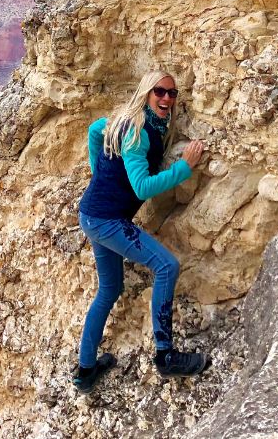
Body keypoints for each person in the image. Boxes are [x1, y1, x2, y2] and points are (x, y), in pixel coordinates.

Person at [72, 70, 209, 394]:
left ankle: (85, 371)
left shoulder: (124, 119)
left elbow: (94, 131)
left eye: (172, 94)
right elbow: (143, 186)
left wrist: (100, 174)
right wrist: (184, 168)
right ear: (146, 93)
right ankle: (166, 356)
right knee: (167, 266)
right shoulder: (138, 131)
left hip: (92, 214)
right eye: (159, 92)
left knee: (109, 290)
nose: (166, 99)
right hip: (106, 221)